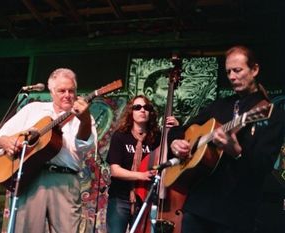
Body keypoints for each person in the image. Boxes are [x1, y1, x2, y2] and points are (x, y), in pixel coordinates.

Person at [169, 45, 284, 233]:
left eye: (237, 70)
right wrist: (175, 142)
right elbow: (181, 130)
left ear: (254, 69)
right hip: (198, 206)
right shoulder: (219, 106)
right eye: (228, 71)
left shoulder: (270, 113)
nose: (231, 77)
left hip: (235, 213)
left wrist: (237, 152)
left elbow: (264, 166)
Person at [0, 68, 97, 233]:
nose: (67, 95)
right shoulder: (33, 109)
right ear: (51, 91)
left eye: (71, 91)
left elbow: (84, 145)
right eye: (62, 91)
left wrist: (84, 120)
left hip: (65, 180)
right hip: (31, 177)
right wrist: (7, 142)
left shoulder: (84, 116)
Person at [106, 95, 179, 233]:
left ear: (150, 112)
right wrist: (141, 175)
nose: (142, 110)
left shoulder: (158, 138)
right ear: (131, 112)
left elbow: (174, 158)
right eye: (137, 107)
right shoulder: (120, 136)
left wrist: (176, 130)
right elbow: (115, 170)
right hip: (120, 198)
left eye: (146, 107)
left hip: (145, 199)